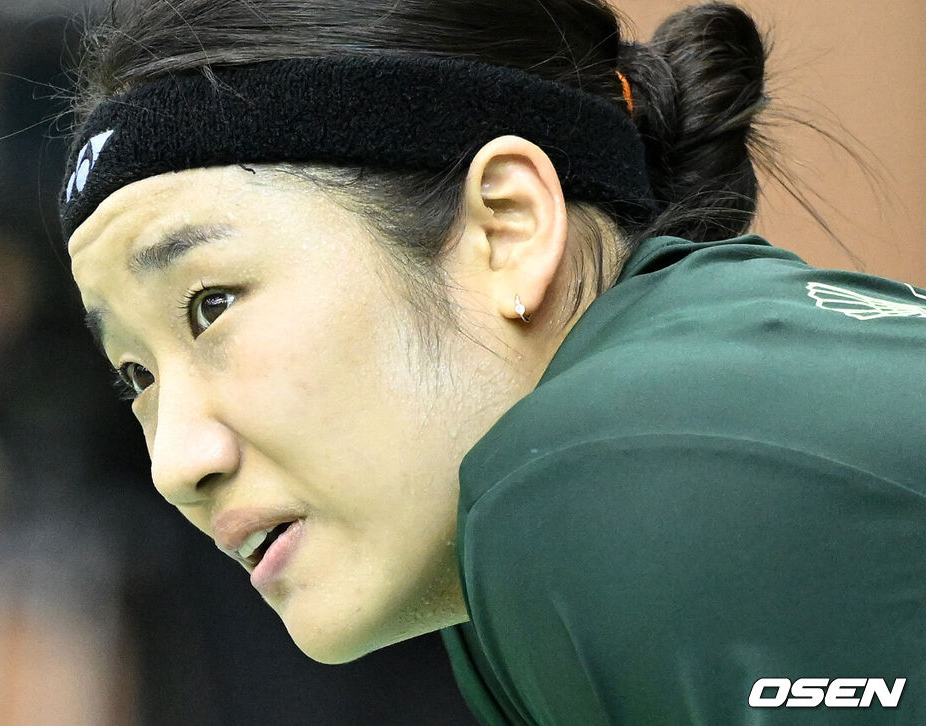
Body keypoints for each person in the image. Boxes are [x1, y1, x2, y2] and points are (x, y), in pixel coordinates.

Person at [60, 1, 926, 723]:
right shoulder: (609, 490)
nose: (175, 464)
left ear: (506, 229)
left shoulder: (610, 479)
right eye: (136, 376)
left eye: (211, 305)